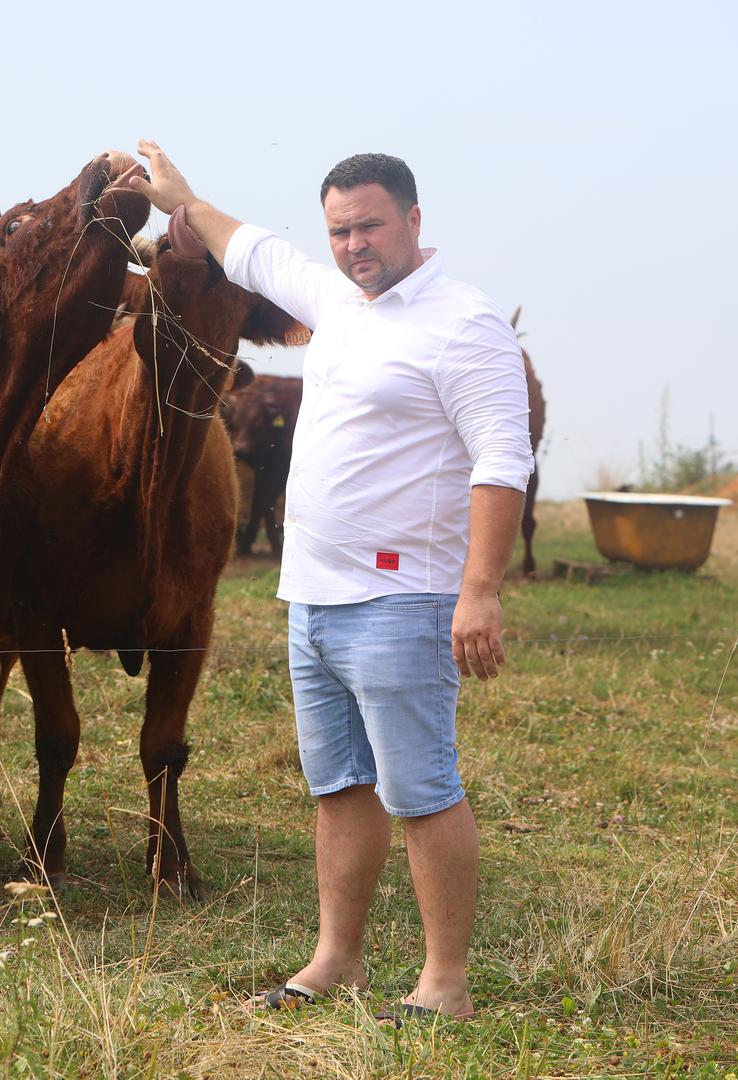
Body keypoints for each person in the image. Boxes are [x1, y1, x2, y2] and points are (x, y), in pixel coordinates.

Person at [127, 141, 533, 1021]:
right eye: (340, 229)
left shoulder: (465, 324)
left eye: (371, 226)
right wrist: (183, 200)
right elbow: (255, 250)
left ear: (415, 221)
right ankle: (336, 961)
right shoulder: (338, 303)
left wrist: (483, 589)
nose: (354, 245)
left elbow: (503, 460)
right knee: (337, 786)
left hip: (403, 599)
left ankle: (444, 985)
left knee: (421, 789)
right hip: (312, 599)